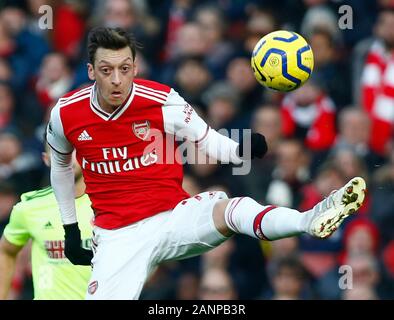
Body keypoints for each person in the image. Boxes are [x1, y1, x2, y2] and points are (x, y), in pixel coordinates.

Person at [46, 27, 367, 300]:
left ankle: (309, 220)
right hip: (118, 236)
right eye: (106, 70)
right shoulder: (66, 113)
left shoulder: (162, 101)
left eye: (125, 68)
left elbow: (209, 141)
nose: (117, 79)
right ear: (91, 71)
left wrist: (241, 149)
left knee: (232, 209)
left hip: (172, 217)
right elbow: (60, 165)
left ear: (134, 67)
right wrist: (71, 229)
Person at [0, 142, 93, 300]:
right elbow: (6, 251)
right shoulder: (29, 207)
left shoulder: (110, 204)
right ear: (46, 159)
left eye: (71, 150)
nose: (66, 157)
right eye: (58, 152)